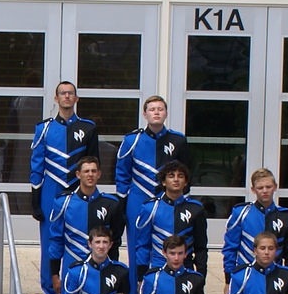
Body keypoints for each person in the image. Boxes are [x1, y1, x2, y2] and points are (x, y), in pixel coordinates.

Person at [40, 154, 122, 294]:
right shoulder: (63, 203)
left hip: (102, 268)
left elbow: (115, 242)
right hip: (71, 265)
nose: (90, 175)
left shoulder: (111, 204)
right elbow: (56, 241)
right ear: (78, 174)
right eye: (86, 171)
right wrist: (54, 274)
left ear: (99, 174)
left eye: (93, 171)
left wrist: (113, 271)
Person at [114, 96, 187, 234]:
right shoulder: (132, 140)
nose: (156, 112)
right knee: (136, 242)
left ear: (166, 113)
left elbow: (186, 172)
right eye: (152, 109)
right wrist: (122, 202)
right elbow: (122, 172)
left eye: (160, 109)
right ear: (145, 114)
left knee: (168, 242)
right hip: (137, 199)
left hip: (167, 199)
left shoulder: (178, 140)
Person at [29, 81, 97, 222]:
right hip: (51, 188)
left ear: (76, 98)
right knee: (50, 238)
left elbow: (94, 164)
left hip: (79, 188)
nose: (67, 96)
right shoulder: (44, 129)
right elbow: (37, 167)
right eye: (63, 93)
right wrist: (35, 201)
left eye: (70, 93)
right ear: (56, 98)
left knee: (80, 237)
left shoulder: (88, 128)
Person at [129, 162, 207, 281]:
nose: (176, 179)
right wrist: (141, 277)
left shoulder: (196, 209)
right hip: (157, 272)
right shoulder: (150, 208)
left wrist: (201, 276)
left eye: (180, 176)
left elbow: (201, 247)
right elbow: (143, 246)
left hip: (186, 272)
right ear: (164, 182)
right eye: (171, 176)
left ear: (185, 182)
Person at [222, 169, 288, 279]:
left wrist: (287, 277)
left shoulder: (286, 216)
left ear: (275, 187)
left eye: (268, 187)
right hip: (245, 276)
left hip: (274, 276)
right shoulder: (241, 213)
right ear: (253, 190)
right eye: (260, 188)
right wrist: (228, 279)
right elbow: (230, 247)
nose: (265, 191)